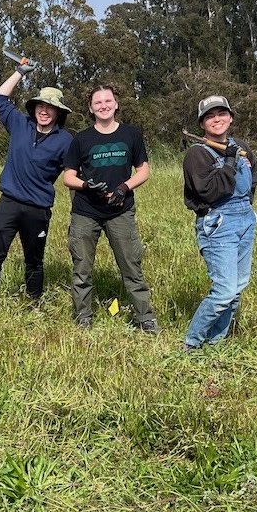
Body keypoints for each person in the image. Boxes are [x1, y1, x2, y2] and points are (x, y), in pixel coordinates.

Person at [0, 60, 74, 321]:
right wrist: (19, 73)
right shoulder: (19, 124)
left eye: (50, 108)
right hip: (8, 204)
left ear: (58, 113)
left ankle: (33, 307)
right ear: (34, 108)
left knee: (34, 261)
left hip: (38, 210)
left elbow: (72, 176)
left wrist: (78, 212)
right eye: (41, 105)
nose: (44, 111)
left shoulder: (66, 141)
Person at [62, 83, 158, 333]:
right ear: (91, 108)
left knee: (131, 266)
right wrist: (86, 185)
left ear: (116, 104)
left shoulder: (131, 135)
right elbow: (68, 177)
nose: (103, 106)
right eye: (97, 103)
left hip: (121, 210)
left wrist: (124, 188)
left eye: (108, 101)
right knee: (82, 268)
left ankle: (144, 317)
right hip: (85, 212)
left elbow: (144, 170)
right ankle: (83, 317)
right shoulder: (81, 139)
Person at [182, 95, 257, 351]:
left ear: (231, 117)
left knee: (237, 289)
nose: (217, 119)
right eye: (210, 116)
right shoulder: (197, 154)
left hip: (245, 219)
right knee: (224, 291)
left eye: (221, 114)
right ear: (203, 123)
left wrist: (247, 205)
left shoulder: (241, 146)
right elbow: (210, 192)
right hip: (219, 221)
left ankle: (216, 342)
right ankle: (192, 344)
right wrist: (227, 161)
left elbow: (253, 175)